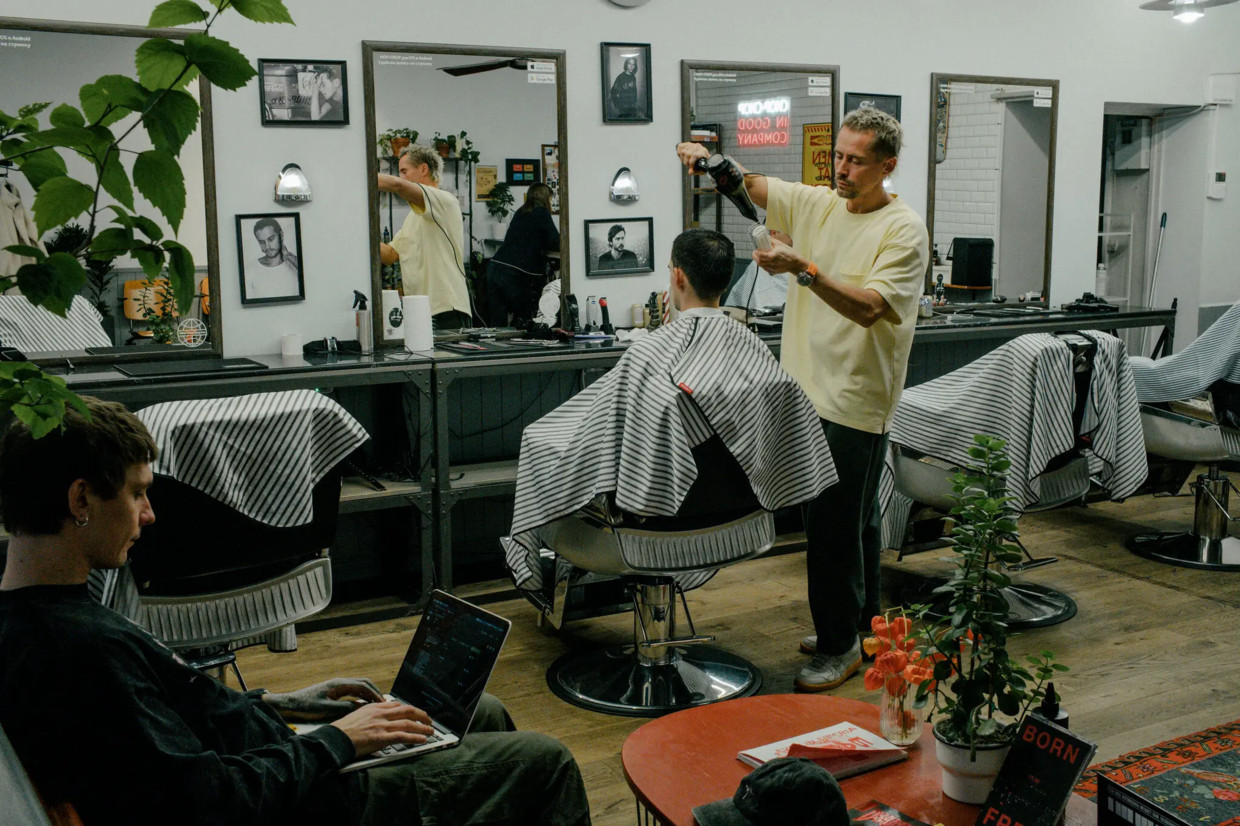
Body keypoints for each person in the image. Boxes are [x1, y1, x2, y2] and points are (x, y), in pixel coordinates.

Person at [0, 397, 591, 826]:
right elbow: (211, 803)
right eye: (136, 493)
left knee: (473, 711)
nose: (150, 514)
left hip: (278, 753)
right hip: (305, 799)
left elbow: (183, 715)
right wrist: (337, 740)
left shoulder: (45, 613)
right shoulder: (79, 649)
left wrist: (292, 702)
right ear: (81, 498)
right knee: (544, 761)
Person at [677, 107, 930, 693]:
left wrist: (804, 269)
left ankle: (838, 647)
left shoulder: (902, 230)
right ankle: (861, 629)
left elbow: (871, 308)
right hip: (806, 394)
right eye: (838, 155)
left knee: (834, 529)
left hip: (856, 398)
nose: (841, 168)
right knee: (856, 521)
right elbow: (750, 184)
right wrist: (709, 160)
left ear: (887, 166)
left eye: (856, 161)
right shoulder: (820, 203)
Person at [503, 228, 835, 597]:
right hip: (742, 520)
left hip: (648, 530)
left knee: (542, 456)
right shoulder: (753, 349)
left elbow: (598, 440)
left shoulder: (648, 353)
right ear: (726, 280)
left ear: (677, 276)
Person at [379, 143, 472, 330]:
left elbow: (398, 186)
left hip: (446, 309)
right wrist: (359, 234)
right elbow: (390, 255)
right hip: (420, 311)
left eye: (404, 171)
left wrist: (359, 177)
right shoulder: (412, 218)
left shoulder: (445, 201)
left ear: (423, 169)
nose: (401, 177)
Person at [485, 183, 560, 325]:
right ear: (546, 197)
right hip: (514, 273)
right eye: (550, 198)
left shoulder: (521, 211)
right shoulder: (542, 212)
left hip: (495, 266)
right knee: (523, 319)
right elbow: (555, 240)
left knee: (497, 322)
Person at [248, 217, 301, 299]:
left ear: (281, 236)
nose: (267, 246)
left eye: (271, 239)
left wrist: (291, 258)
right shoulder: (250, 269)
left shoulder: (295, 264)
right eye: (262, 242)